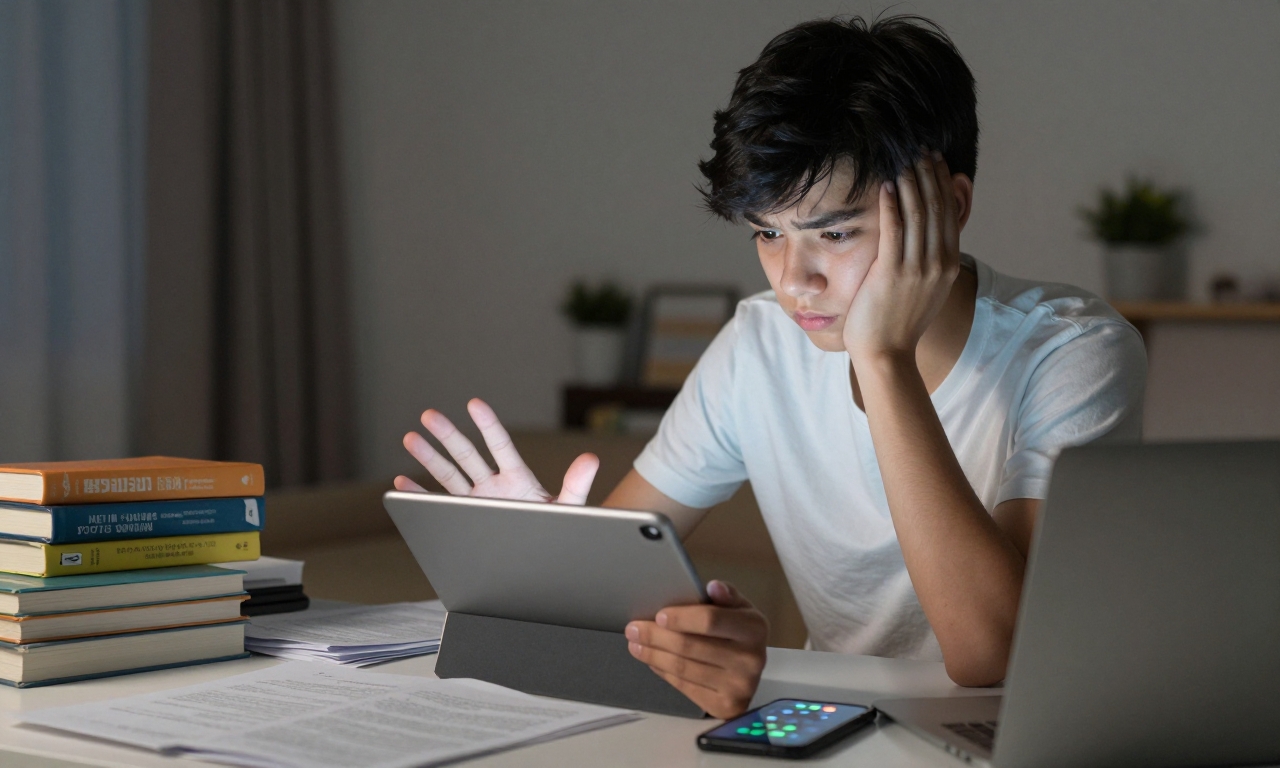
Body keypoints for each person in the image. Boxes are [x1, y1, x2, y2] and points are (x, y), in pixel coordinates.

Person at [394, 15, 1146, 718]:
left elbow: (991, 653)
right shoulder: (759, 343)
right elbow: (619, 587)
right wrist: (552, 570)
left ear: (949, 207)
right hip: (835, 732)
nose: (794, 281)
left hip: (1027, 734)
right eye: (767, 233)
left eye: (836, 232)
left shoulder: (1072, 352)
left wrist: (882, 359)